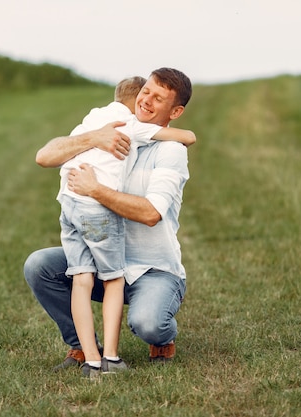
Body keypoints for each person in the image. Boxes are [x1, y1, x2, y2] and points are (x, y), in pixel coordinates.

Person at [25, 67, 193, 376]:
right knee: (39, 266)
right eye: (146, 92)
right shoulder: (109, 130)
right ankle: (85, 348)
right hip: (105, 259)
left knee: (149, 324)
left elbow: (150, 213)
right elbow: (45, 156)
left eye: (159, 99)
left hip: (152, 271)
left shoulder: (170, 151)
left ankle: (162, 339)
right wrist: (94, 138)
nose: (147, 101)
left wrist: (95, 190)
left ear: (176, 111)